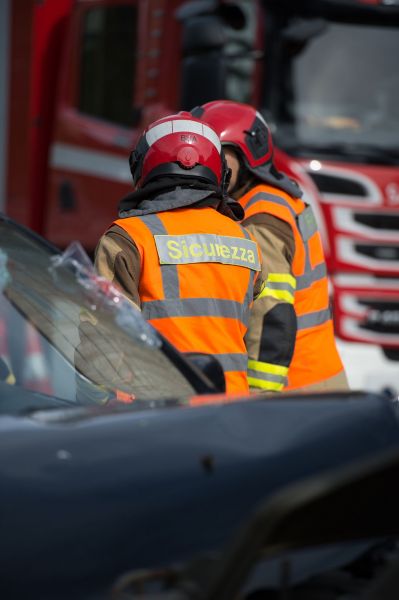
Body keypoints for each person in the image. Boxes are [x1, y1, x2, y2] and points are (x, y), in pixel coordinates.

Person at [95, 112, 263, 394]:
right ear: (220, 174)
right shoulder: (245, 239)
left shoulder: (128, 238)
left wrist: (101, 412)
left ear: (142, 169)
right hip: (230, 409)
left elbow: (102, 337)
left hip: (158, 414)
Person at [192, 100, 349, 393]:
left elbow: (271, 314)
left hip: (295, 388)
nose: (207, 165)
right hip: (315, 376)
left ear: (247, 155)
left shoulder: (260, 219)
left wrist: (260, 397)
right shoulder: (274, 195)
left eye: (217, 156)